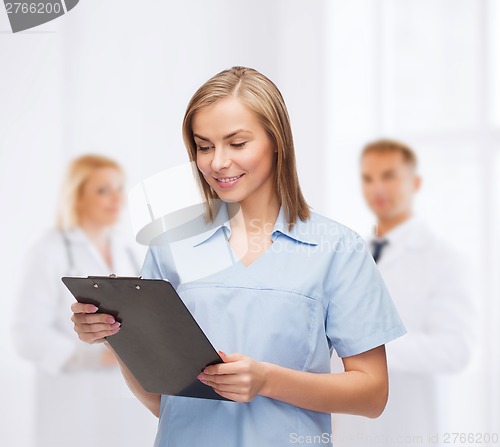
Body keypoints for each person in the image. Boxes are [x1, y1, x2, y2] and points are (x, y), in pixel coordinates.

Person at [71, 67, 407, 447]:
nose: (217, 162)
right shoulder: (170, 245)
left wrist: (266, 380)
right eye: (204, 146)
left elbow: (372, 394)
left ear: (276, 141)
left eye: (237, 143)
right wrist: (115, 334)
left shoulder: (337, 248)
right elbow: (160, 401)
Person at [332, 139, 476, 446]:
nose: (377, 189)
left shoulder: (444, 259)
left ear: (416, 182)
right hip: (352, 429)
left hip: (408, 428)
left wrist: (366, 347)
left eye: (389, 176)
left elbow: (455, 350)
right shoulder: (351, 252)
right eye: (368, 178)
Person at [13, 155, 157, 447]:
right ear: (77, 197)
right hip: (71, 401)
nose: (116, 198)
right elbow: (26, 334)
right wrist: (92, 356)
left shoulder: (126, 251)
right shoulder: (49, 251)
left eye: (119, 189)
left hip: (124, 401)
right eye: (103, 190)